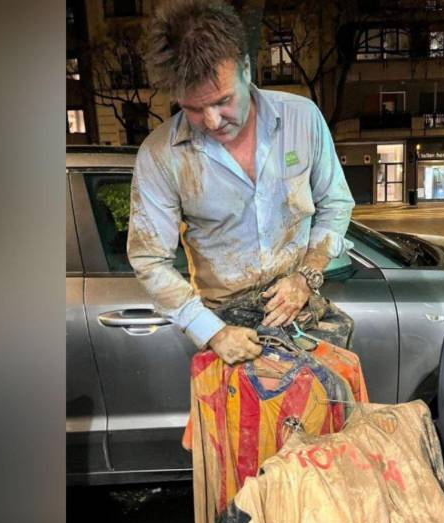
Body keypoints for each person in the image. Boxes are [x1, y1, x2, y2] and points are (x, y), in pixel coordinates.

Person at [128, 0, 354, 366]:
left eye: (223, 100)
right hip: (227, 327)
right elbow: (150, 260)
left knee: (324, 416)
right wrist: (212, 332)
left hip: (301, 306)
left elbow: (335, 203)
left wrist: (307, 275)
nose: (213, 121)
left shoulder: (302, 119)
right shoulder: (159, 156)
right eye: (193, 108)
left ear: (247, 68)